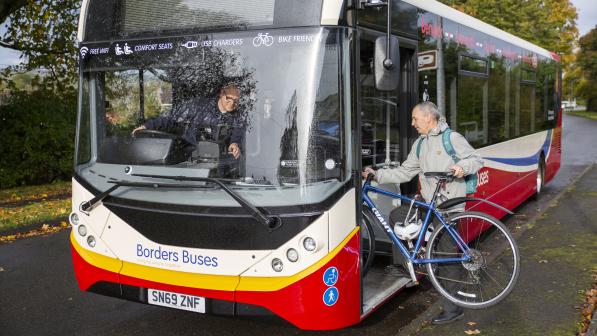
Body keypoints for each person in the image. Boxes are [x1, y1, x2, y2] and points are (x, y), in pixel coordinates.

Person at [362, 101, 483, 325]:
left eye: (415, 118)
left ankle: (453, 308)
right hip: (428, 203)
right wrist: (376, 174)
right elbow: (405, 171)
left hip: (449, 206)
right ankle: (404, 266)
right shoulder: (420, 143)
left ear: (429, 118)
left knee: (445, 258)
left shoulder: (451, 139)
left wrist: (461, 168)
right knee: (398, 216)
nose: (412, 123)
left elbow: (476, 160)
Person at [133, 83, 244, 159]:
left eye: (236, 101)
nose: (232, 103)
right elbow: (171, 118)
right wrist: (147, 126)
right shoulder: (198, 106)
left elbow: (237, 134)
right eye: (229, 98)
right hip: (189, 158)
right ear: (221, 94)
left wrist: (234, 144)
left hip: (217, 162)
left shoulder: (237, 116)